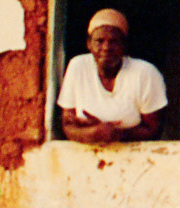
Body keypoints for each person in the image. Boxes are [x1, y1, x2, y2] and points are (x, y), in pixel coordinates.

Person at [58, 8, 167, 143]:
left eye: (114, 41)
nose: (106, 47)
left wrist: (117, 134)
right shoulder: (78, 67)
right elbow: (67, 124)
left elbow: (153, 130)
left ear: (124, 45)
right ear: (89, 44)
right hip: (85, 154)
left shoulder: (145, 73)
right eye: (99, 41)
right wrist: (93, 134)